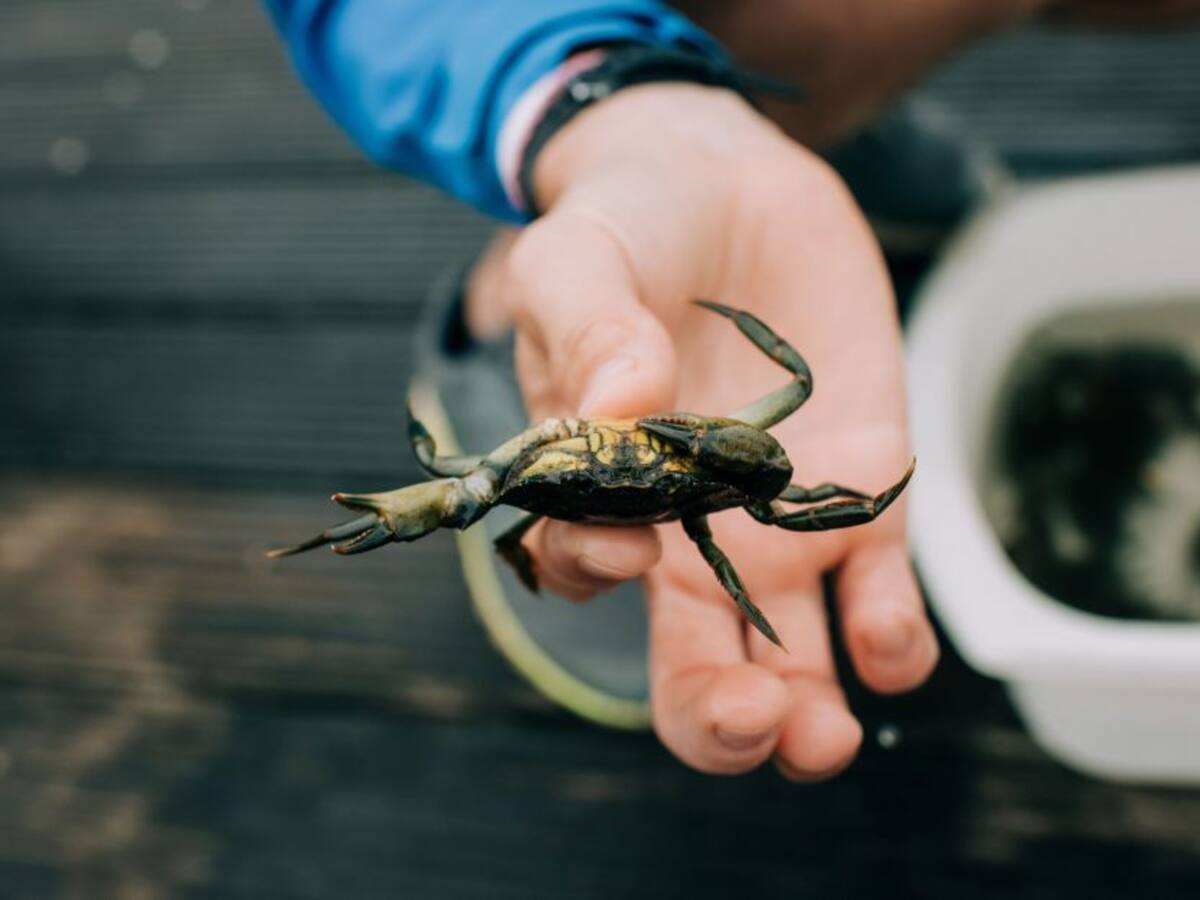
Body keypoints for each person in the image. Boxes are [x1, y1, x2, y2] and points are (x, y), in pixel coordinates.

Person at [264, 0, 1199, 779]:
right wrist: (602, 104)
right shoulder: (736, 470)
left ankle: (775, 136)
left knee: (503, 490)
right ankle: (514, 321)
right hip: (520, 75)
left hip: (658, 462)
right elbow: (793, 402)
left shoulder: (740, 484)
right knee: (509, 472)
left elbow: (810, 461)